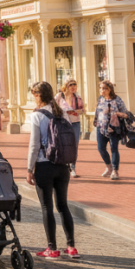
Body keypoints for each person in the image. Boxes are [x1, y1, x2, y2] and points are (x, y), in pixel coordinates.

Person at [26, 81, 78, 259]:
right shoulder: (61, 112)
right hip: (63, 165)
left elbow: (34, 145)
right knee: (63, 206)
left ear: (38, 95)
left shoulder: (37, 115)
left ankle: (52, 248)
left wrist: (29, 168)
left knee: (47, 206)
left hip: (44, 164)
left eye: (34, 94)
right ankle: (71, 246)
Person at [94, 80, 128, 180]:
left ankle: (115, 170)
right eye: (100, 88)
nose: (102, 90)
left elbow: (125, 114)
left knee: (114, 149)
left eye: (104, 88)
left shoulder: (117, 99)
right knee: (101, 148)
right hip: (101, 127)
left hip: (113, 128)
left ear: (110, 89)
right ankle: (108, 167)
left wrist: (116, 113)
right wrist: (96, 122)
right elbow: (97, 111)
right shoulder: (100, 99)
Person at [56, 80, 85, 177]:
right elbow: (53, 107)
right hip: (63, 123)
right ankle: (63, 166)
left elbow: (82, 110)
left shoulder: (77, 98)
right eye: (70, 85)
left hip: (75, 123)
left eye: (74, 85)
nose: (73, 87)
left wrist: (75, 111)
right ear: (66, 86)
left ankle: (72, 167)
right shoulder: (60, 96)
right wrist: (63, 112)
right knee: (63, 144)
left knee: (74, 145)